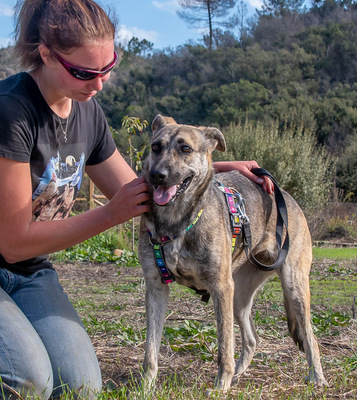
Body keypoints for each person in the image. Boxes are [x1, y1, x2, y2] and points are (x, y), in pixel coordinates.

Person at [0, 0, 273, 398]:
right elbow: (12, 241)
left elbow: (142, 189)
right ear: (45, 54)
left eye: (107, 68)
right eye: (84, 72)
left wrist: (216, 166)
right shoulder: (12, 112)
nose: (98, 85)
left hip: (28, 272)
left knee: (79, 385)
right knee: (29, 380)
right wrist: (110, 215)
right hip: (10, 253)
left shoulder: (87, 113)